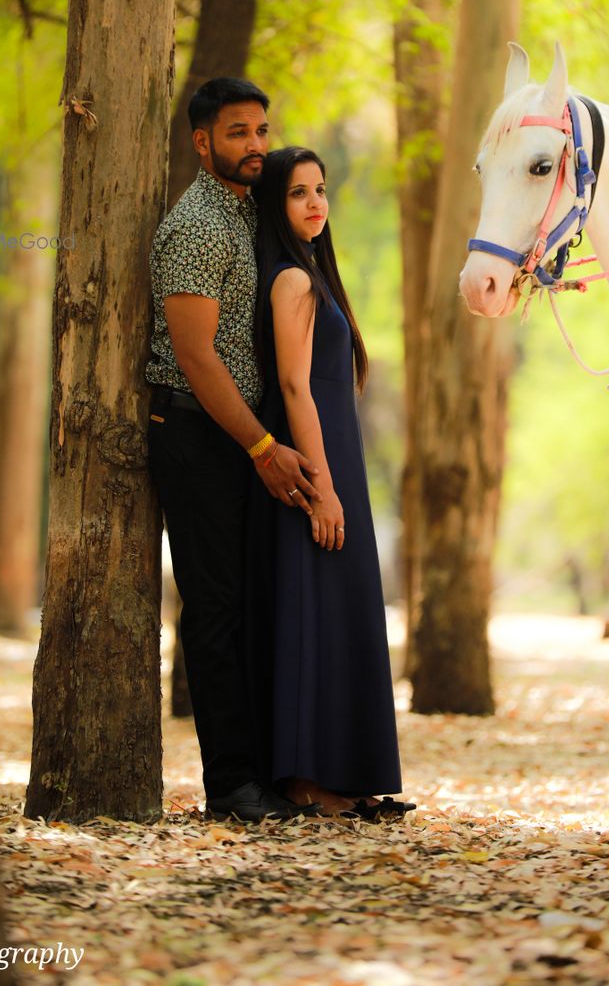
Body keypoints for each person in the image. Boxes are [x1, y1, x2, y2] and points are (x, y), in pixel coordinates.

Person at [145, 78, 323, 823]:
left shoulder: (245, 214)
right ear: (202, 142)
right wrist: (259, 445)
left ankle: (270, 775)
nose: (255, 145)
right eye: (238, 133)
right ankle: (232, 790)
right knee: (214, 605)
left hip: (239, 434)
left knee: (246, 601)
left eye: (261, 130)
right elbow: (194, 355)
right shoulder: (196, 226)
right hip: (196, 431)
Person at [247, 146, 412, 819]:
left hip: (336, 463)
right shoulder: (290, 280)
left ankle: (340, 777)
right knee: (310, 613)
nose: (315, 204)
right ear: (274, 206)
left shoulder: (314, 273)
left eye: (320, 190)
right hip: (315, 469)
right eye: (297, 193)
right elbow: (293, 387)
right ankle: (305, 782)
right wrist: (322, 487)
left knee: (339, 614)